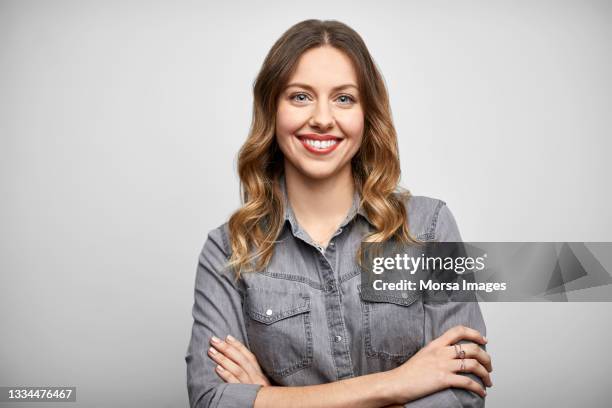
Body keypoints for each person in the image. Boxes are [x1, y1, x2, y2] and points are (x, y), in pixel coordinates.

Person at [185, 19, 492, 408]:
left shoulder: (429, 227)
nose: (323, 118)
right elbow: (213, 401)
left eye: (344, 98)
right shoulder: (228, 250)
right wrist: (397, 384)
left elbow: (463, 392)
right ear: (271, 110)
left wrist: (271, 399)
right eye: (300, 97)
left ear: (366, 114)